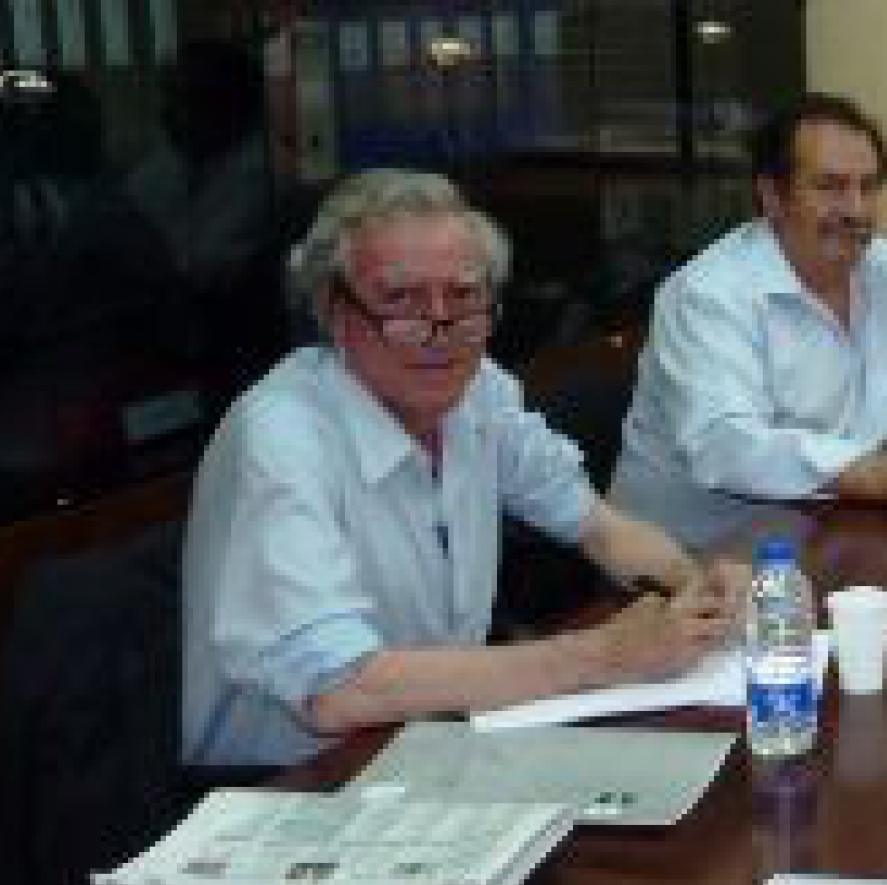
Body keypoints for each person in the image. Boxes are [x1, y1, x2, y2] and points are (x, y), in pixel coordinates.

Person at [183, 170, 735, 769]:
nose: (438, 330)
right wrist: (601, 656)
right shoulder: (280, 436)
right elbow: (337, 690)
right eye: (401, 300)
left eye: (464, 296)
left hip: (433, 748)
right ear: (333, 310)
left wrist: (701, 591)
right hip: (289, 784)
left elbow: (598, 526)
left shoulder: (478, 392)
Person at [610, 94, 887, 546]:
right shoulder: (707, 296)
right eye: (830, 187)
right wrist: (879, 475)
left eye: (868, 187)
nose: (856, 210)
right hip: (692, 559)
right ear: (772, 196)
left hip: (839, 532)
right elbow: (724, 445)